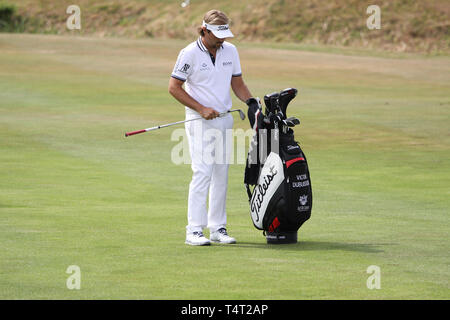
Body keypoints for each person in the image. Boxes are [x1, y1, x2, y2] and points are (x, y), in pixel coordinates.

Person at [168, 9, 258, 246]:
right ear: (204, 30)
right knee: (202, 172)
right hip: (200, 121)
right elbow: (174, 87)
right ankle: (194, 231)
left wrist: (251, 102)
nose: (222, 40)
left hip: (224, 119)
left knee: (221, 174)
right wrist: (200, 108)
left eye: (224, 35)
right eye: (217, 35)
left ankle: (217, 228)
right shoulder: (188, 53)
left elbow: (237, 82)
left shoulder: (230, 51)